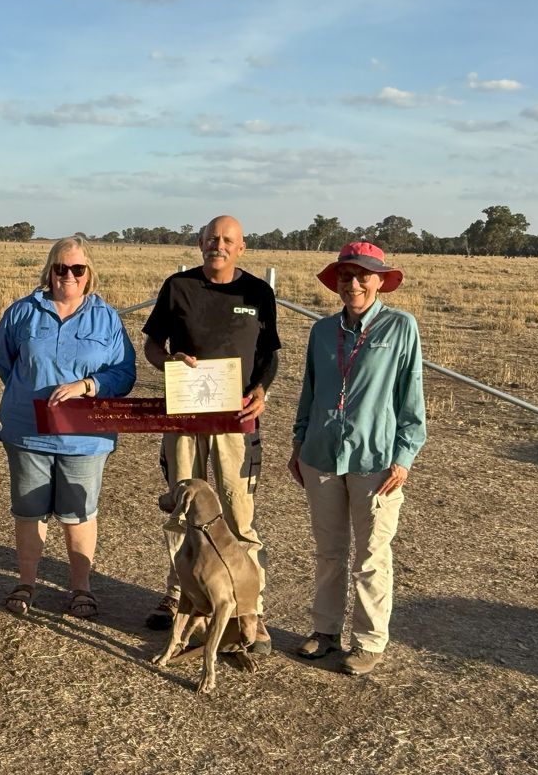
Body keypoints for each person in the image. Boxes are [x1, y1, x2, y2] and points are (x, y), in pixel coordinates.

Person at [141, 214, 279, 654]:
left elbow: (269, 354)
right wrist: (168, 362)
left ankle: (249, 609)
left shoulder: (258, 293)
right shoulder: (177, 287)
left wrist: (261, 390)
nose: (218, 245)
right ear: (200, 243)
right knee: (183, 510)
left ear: (241, 247)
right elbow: (151, 345)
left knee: (238, 514)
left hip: (236, 422)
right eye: (211, 238)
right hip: (183, 419)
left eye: (227, 240)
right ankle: (178, 596)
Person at [289, 241, 426, 676]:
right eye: (346, 276)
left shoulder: (400, 327)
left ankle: (368, 641)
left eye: (363, 276)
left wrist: (404, 456)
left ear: (380, 281)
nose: (353, 285)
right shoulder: (321, 331)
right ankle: (325, 630)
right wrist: (299, 442)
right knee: (329, 552)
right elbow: (309, 391)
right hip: (321, 455)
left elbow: (411, 397)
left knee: (371, 555)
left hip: (376, 460)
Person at [0, 236, 136, 620]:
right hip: (28, 430)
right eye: (60, 267)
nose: (68, 275)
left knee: (80, 512)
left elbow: (124, 373)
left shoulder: (107, 318)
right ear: (49, 270)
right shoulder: (22, 312)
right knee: (29, 511)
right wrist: (33, 393)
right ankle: (26, 582)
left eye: (77, 268)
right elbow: (6, 363)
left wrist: (88, 385)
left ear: (89, 273)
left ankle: (80, 587)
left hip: (85, 437)